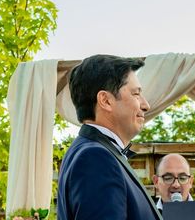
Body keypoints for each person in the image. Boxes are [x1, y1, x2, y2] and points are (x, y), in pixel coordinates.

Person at [57, 54, 162, 220]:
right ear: (105, 100)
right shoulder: (95, 158)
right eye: (136, 94)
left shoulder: (89, 152)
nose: (145, 105)